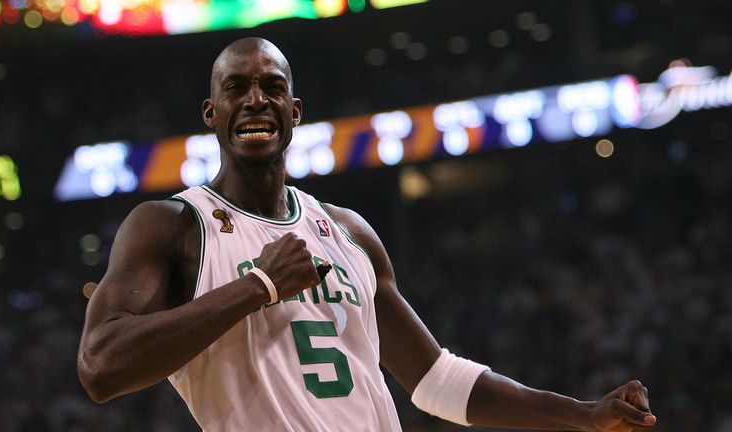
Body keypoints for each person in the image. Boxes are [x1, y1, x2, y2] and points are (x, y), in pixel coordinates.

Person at [77, 37, 657, 431]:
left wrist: (580, 417)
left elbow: (435, 379)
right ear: (211, 112)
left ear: (295, 109)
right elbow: (100, 368)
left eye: (272, 86)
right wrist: (257, 286)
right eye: (237, 88)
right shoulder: (173, 226)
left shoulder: (349, 232)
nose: (256, 99)